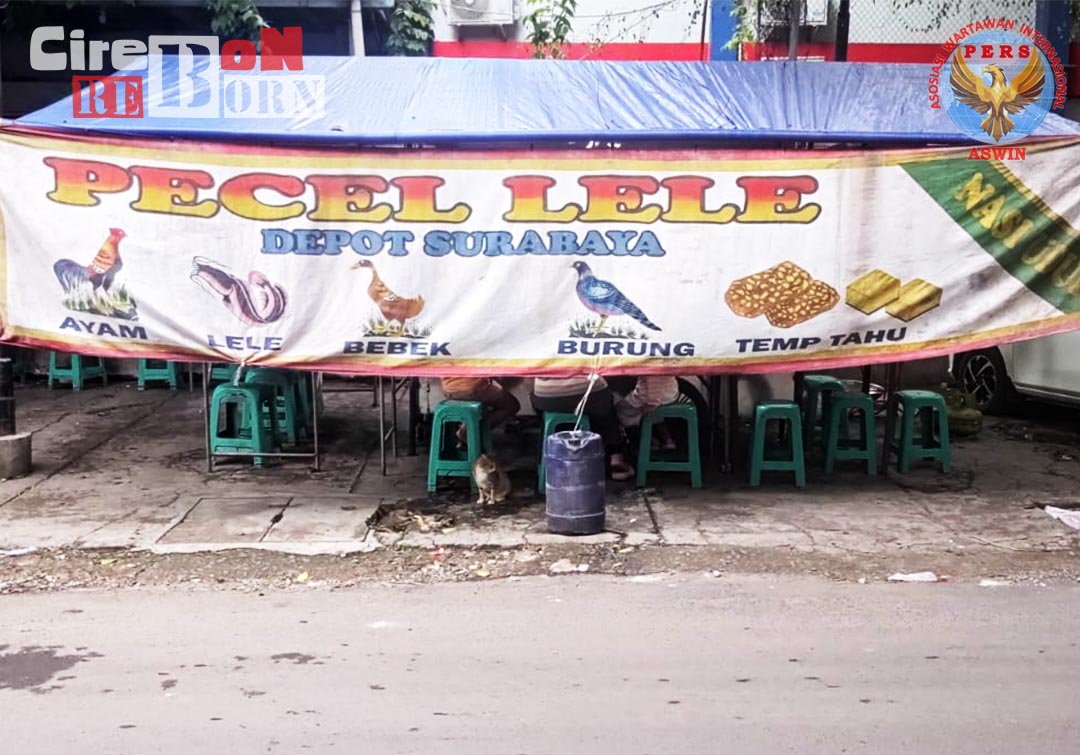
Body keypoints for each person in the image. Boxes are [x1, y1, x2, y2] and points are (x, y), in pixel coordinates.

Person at [531, 375, 635, 481]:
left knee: (535, 395)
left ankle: (555, 445)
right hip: (588, 392)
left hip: (546, 396)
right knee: (605, 408)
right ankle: (615, 456)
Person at [441, 377, 520, 447]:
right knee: (512, 405)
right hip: (471, 386)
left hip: (448, 388)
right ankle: (468, 432)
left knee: (489, 397)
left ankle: (468, 430)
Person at [616, 376, 679, 450]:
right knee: (655, 414)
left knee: (623, 407)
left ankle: (648, 440)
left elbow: (652, 384)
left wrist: (652, 403)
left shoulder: (648, 367)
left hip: (652, 396)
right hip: (671, 394)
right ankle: (667, 438)